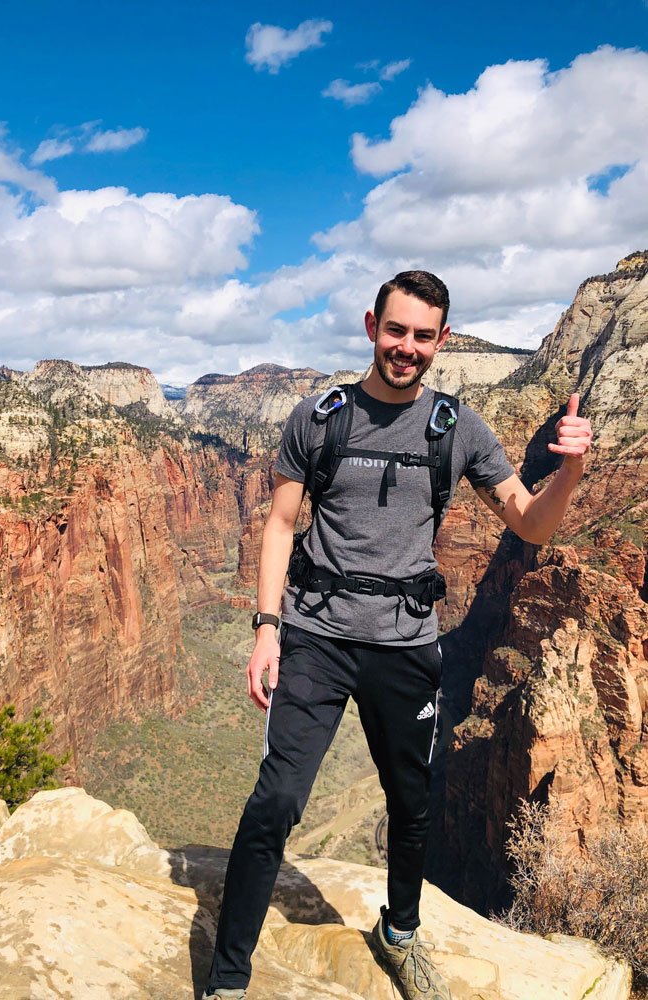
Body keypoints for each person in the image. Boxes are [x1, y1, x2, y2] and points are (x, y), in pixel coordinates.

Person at [202, 270, 593, 1000]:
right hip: (315, 636)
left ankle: (400, 934)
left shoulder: (458, 428)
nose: (405, 348)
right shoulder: (319, 418)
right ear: (370, 326)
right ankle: (227, 980)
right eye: (395, 330)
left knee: (410, 800)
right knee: (277, 800)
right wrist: (266, 630)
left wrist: (569, 473)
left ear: (442, 341)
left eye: (422, 336)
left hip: (406, 645)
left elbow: (530, 523)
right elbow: (280, 525)